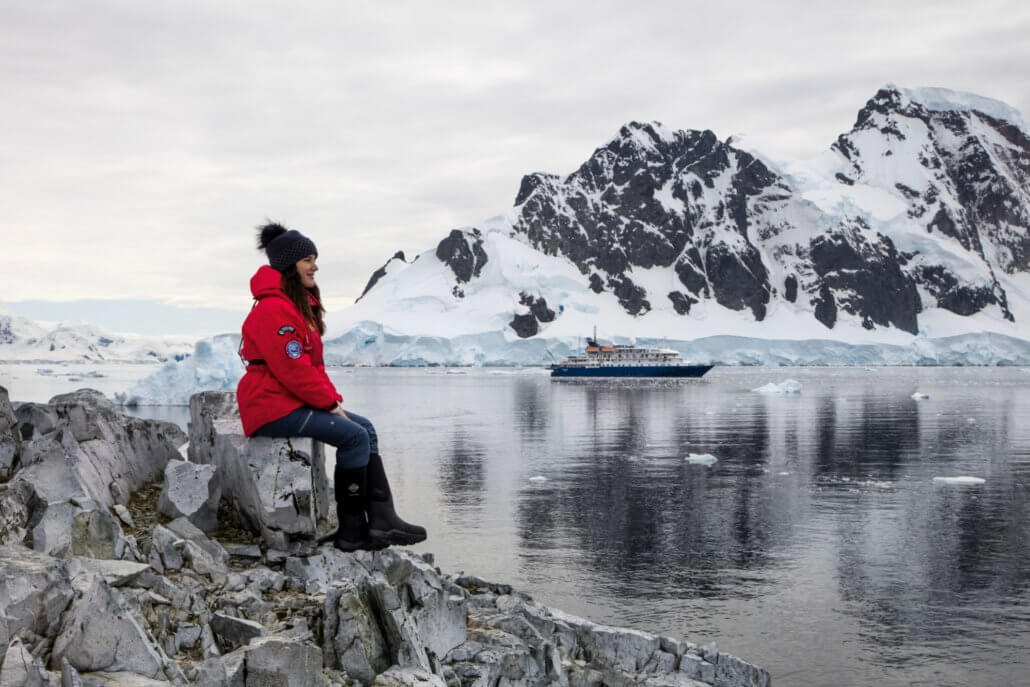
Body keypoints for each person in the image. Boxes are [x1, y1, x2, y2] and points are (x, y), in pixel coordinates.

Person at [236, 222, 426, 552]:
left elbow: (311, 367)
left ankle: (382, 519)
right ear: (288, 264)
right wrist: (327, 404)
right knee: (353, 436)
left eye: (315, 258)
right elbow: (292, 369)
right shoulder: (274, 308)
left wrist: (332, 400)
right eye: (308, 259)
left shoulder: (292, 304)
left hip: (284, 400)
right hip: (269, 406)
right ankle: (352, 530)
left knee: (365, 428)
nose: (315, 266)